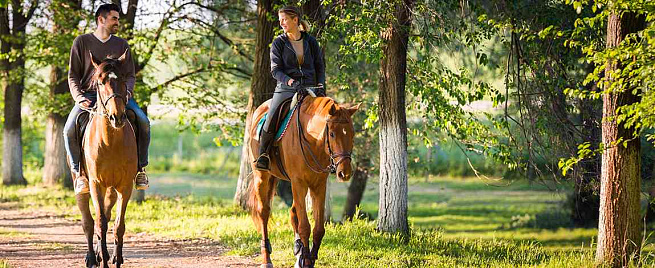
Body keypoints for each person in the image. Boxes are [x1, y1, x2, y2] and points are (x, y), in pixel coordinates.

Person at [64, 3, 150, 195]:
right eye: (114, 18)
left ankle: (141, 170)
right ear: (101, 19)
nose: (117, 22)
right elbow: (73, 76)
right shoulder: (81, 42)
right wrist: (78, 98)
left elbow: (130, 75)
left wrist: (126, 93)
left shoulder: (122, 45)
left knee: (143, 122)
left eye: (118, 19)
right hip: (89, 95)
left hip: (118, 96)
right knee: (69, 129)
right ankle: (79, 174)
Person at [255, 5, 326, 171]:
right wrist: (292, 83)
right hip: (286, 88)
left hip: (311, 88)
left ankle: (330, 156)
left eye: (284, 19)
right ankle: (263, 154)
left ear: (295, 20)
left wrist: (321, 84)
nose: (282, 23)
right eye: (280, 20)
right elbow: (276, 71)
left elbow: (319, 66)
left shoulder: (311, 41)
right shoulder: (278, 43)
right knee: (272, 116)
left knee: (331, 116)